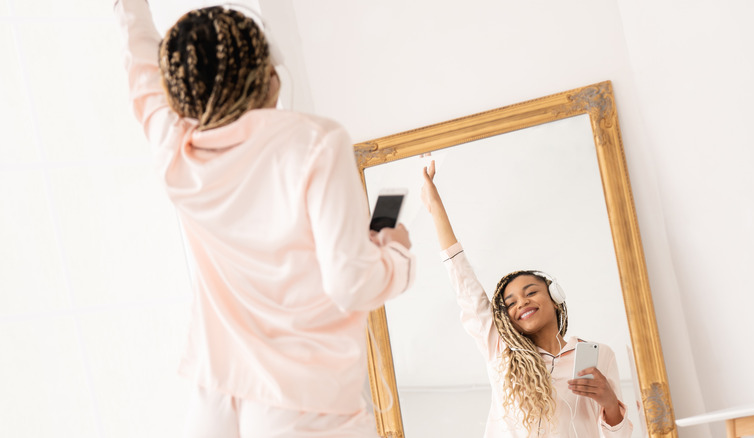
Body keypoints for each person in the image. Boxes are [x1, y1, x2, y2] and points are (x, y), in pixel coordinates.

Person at [114, 1, 415, 436]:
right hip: (303, 402)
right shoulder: (315, 143)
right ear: (265, 70)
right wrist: (395, 251)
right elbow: (351, 284)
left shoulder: (177, 153)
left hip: (215, 395)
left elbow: (139, 66)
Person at [420, 160, 632, 437]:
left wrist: (608, 402)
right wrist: (436, 208)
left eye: (531, 292)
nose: (521, 303)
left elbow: (619, 434)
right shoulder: (501, 351)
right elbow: (465, 285)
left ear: (555, 298)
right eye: (510, 303)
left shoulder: (599, 355)